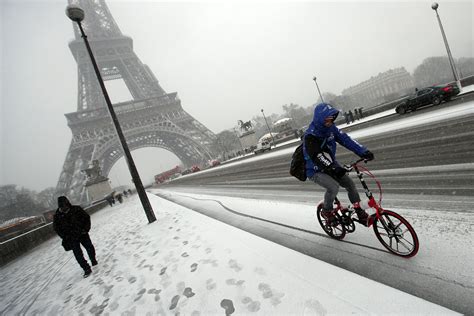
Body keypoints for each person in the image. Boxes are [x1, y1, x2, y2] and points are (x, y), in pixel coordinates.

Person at [303, 103, 374, 226]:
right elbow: (317, 156)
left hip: (331, 164)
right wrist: (333, 167)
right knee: (333, 187)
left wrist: (363, 151)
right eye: (328, 119)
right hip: (314, 169)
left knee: (350, 185)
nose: (330, 122)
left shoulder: (331, 129)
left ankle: (359, 211)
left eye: (332, 119)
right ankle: (327, 211)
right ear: (320, 119)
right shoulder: (310, 135)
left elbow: (346, 140)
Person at [53, 196, 97, 278]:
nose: (64, 208)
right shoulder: (57, 216)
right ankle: (86, 268)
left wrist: (86, 229)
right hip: (71, 238)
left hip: (82, 233)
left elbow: (86, 218)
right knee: (78, 254)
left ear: (68, 203)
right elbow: (57, 228)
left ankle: (93, 260)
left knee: (89, 247)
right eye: (62, 206)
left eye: (65, 205)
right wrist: (65, 236)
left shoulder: (77, 209)